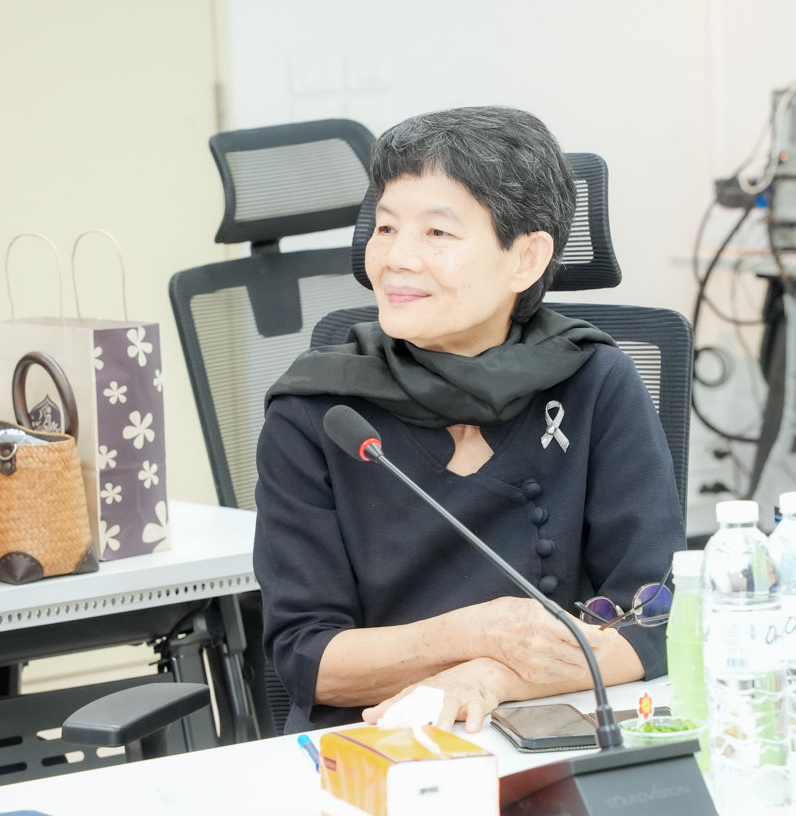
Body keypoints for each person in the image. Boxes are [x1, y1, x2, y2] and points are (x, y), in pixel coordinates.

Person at [254, 106, 684, 735]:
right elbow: (307, 659)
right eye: (385, 228)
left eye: (437, 233)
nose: (396, 258)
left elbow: (656, 622)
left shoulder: (594, 382)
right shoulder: (318, 410)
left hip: (551, 728)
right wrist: (477, 633)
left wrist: (492, 677)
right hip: (373, 745)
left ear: (526, 258)